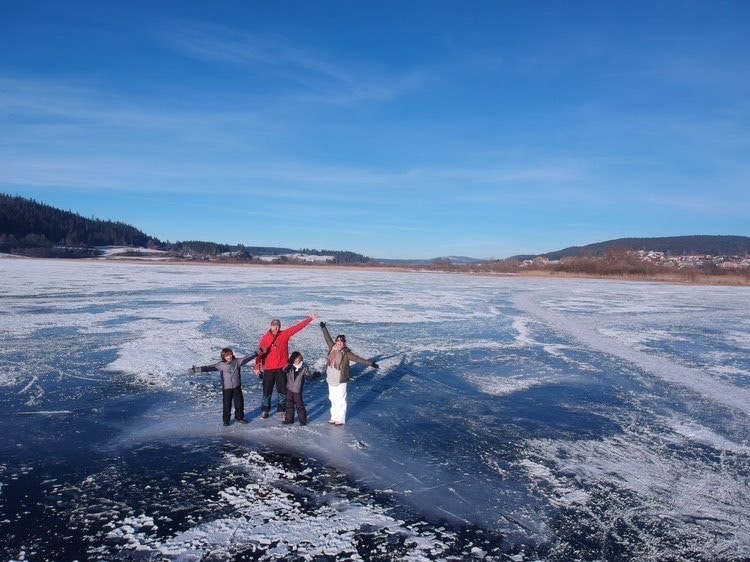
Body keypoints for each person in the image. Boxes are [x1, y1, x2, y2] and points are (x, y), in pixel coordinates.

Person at [255, 312, 318, 418]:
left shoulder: (284, 335)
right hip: (269, 369)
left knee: (282, 390)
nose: (275, 327)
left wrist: (309, 319)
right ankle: (265, 410)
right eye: (274, 325)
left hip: (282, 369)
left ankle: (281, 410)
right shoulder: (265, 338)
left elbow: (297, 328)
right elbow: (259, 354)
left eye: (277, 325)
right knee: (267, 390)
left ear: (279, 327)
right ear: (270, 326)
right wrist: (257, 367)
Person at [320, 322, 378, 425]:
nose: (339, 342)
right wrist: (324, 328)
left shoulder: (347, 354)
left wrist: (371, 363)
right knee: (332, 398)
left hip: (341, 380)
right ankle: (334, 417)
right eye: (338, 340)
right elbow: (327, 338)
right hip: (331, 379)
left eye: (341, 341)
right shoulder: (332, 348)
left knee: (340, 400)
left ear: (344, 344)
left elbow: (358, 359)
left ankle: (340, 419)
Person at [190, 347, 262, 426]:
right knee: (227, 405)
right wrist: (196, 369)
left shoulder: (237, 361)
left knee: (239, 403)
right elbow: (208, 367)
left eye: (230, 355)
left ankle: (239, 418)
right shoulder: (221, 365)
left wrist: (257, 352)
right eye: (227, 356)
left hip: (236, 387)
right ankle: (226, 420)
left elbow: (247, 358)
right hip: (227, 388)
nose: (229, 357)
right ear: (223, 357)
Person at [282, 351, 320, 426]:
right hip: (289, 388)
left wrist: (314, 375)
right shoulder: (290, 366)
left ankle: (303, 421)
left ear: (300, 358)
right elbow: (284, 370)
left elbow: (308, 377)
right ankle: (289, 419)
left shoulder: (304, 367)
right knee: (289, 404)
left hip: (297, 390)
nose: (295, 360)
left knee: (300, 405)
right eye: (294, 358)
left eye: (297, 358)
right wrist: (289, 365)